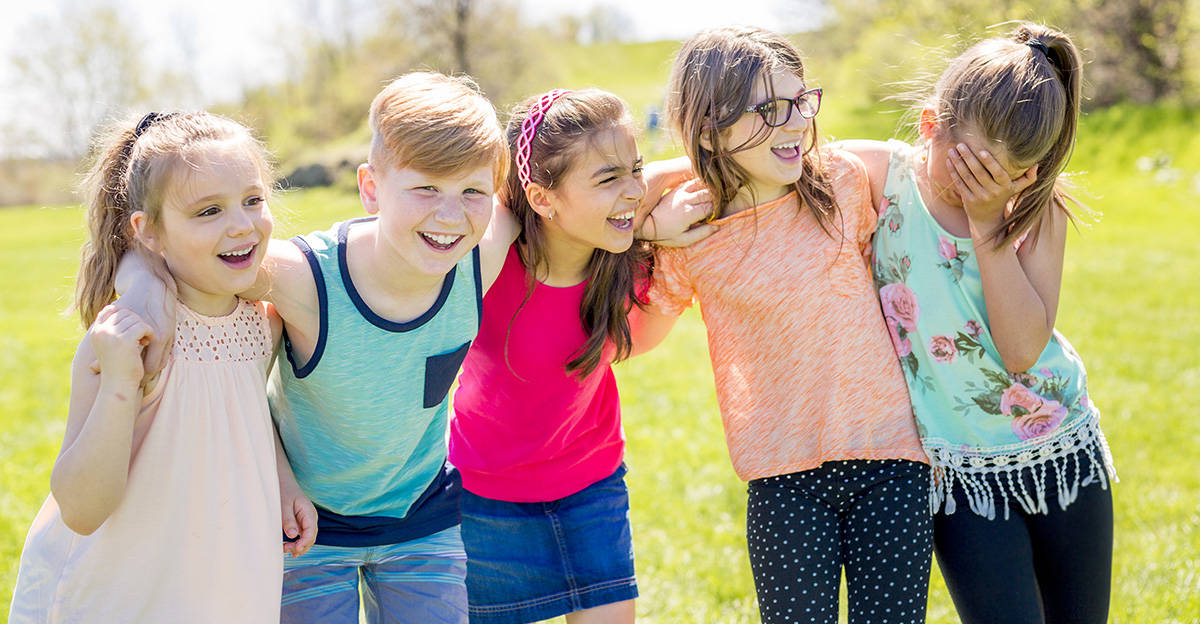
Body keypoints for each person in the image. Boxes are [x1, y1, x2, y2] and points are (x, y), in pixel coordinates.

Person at [641, 26, 933, 623]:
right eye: (770, 109)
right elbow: (638, 338)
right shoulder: (689, 232)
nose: (797, 123)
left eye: (801, 102)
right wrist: (646, 235)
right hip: (782, 479)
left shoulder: (841, 182)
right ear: (708, 127)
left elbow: (915, 163)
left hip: (893, 461)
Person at [838, 22, 1117, 624]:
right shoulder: (886, 179)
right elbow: (777, 164)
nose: (976, 191)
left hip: (1061, 448)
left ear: (1028, 171)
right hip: (962, 469)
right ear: (930, 124)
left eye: (999, 178)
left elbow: (1020, 351)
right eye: (965, 173)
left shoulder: (1039, 209)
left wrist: (991, 224)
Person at [8, 111, 316, 623]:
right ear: (148, 233)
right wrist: (120, 384)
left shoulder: (263, 323)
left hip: (221, 581)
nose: (241, 224)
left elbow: (245, 412)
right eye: (208, 211)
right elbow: (81, 510)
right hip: (126, 591)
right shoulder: (128, 338)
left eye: (253, 200)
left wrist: (282, 480)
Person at [449, 88, 712, 624]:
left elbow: (639, 339)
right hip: (486, 495)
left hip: (591, 483)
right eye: (608, 178)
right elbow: (504, 205)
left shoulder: (622, 260)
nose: (635, 189)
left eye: (635, 170)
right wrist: (639, 222)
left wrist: (647, 227)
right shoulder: (492, 260)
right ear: (542, 199)